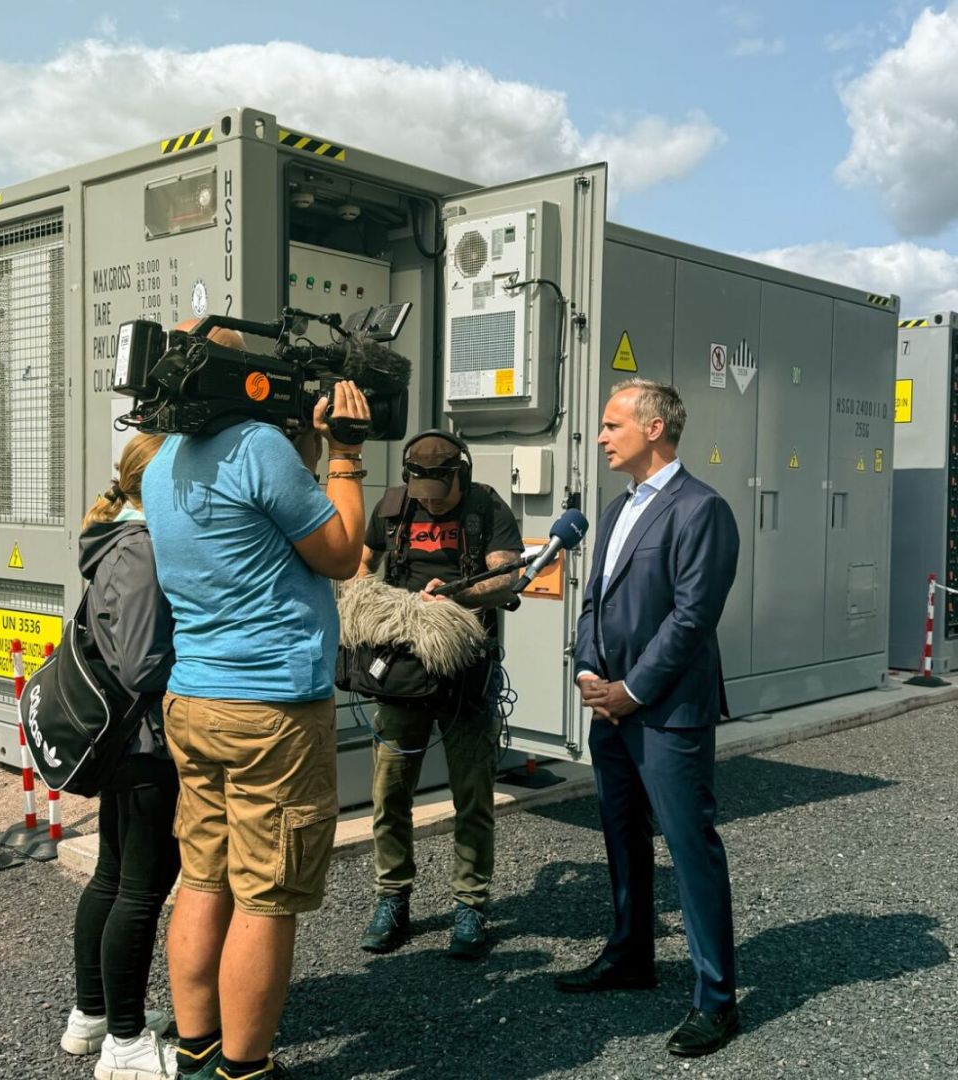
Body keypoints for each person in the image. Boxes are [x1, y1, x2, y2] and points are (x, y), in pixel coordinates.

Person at [141, 322, 371, 1080]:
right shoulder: (259, 450)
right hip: (271, 706)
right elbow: (340, 553)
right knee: (267, 892)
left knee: (203, 876)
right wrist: (344, 456)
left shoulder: (162, 460)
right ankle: (248, 1068)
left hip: (195, 699)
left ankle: (198, 1048)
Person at [555, 378, 741, 1058]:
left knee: (690, 850)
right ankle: (631, 954)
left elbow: (694, 618)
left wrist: (632, 690)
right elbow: (594, 599)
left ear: (654, 429)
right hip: (611, 708)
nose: (601, 436)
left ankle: (715, 1001)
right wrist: (585, 668)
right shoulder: (615, 508)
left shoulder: (702, 510)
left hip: (664, 711)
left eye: (611, 425)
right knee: (621, 837)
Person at [355, 430, 523, 959]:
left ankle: (470, 903)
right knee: (389, 792)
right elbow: (361, 567)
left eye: (437, 490)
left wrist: (453, 599)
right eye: (420, 488)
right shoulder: (391, 506)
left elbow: (509, 578)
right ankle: (392, 899)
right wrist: (382, 609)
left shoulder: (484, 507)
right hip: (403, 672)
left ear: (460, 475)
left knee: (472, 793)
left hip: (467, 675)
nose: (428, 499)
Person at [61, 432, 181, 1080]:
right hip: (144, 742)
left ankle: (93, 1017)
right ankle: (127, 1044)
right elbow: (141, 662)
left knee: (112, 877)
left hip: (120, 738)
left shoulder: (117, 539)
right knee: (140, 888)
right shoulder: (143, 549)